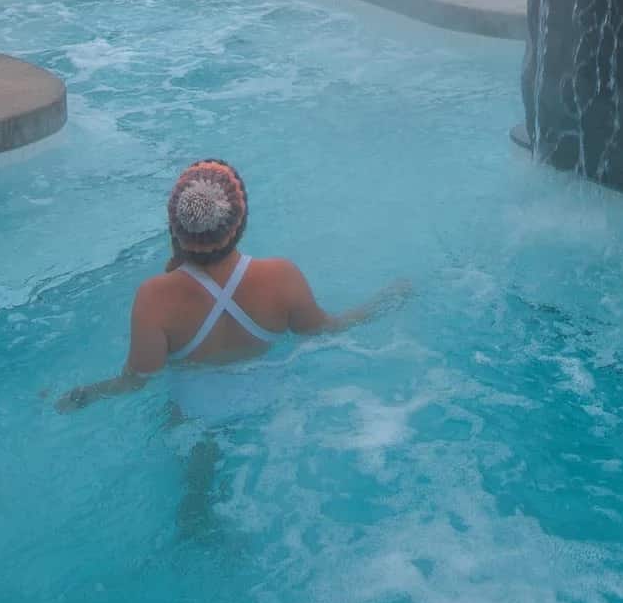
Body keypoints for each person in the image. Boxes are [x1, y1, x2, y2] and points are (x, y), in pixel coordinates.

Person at [55, 158, 409, 413]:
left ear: (175, 228)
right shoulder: (280, 277)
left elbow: (136, 381)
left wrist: (84, 394)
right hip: (268, 396)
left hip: (194, 408)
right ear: (241, 223)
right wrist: (385, 300)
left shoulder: (154, 298)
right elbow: (325, 331)